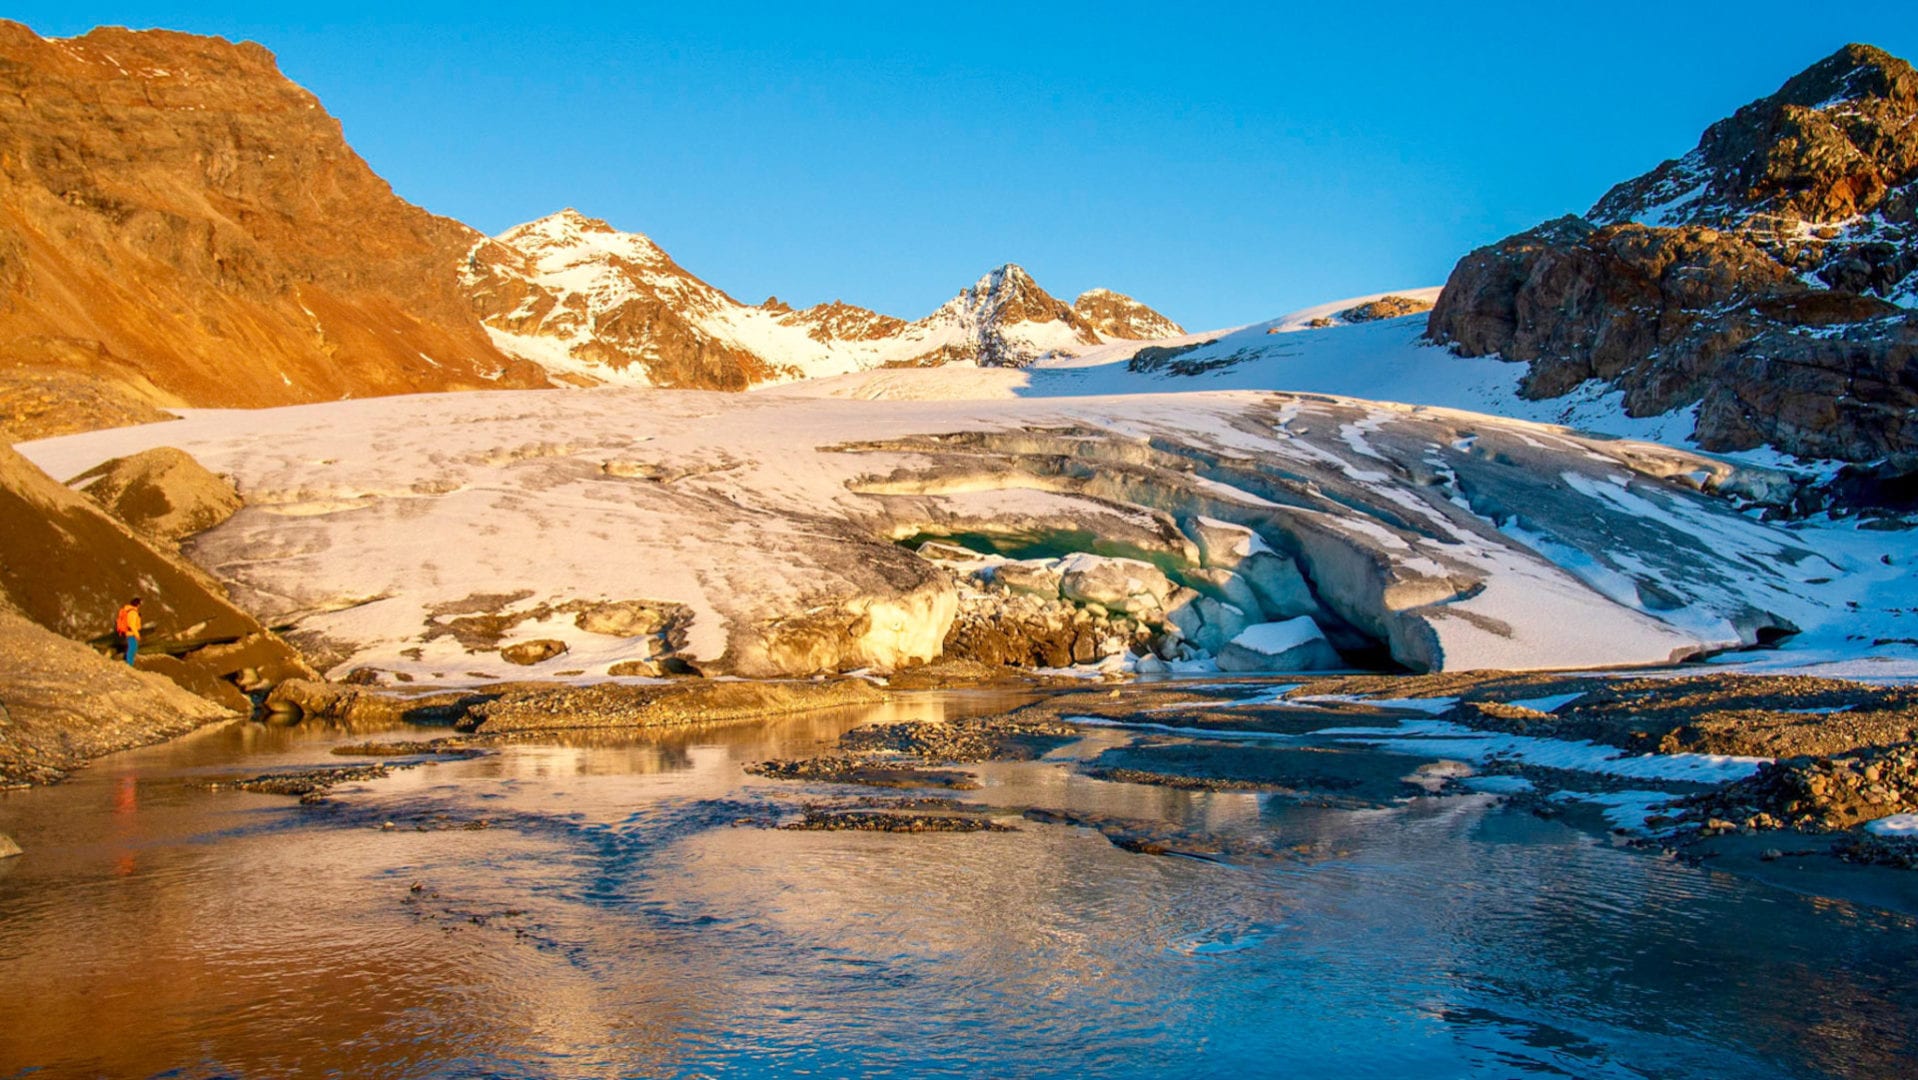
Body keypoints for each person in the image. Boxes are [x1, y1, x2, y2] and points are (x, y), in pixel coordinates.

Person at [114, 597, 143, 667]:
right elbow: (132, 624)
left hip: (128, 633)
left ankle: (129, 663)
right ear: (137, 604)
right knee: (132, 648)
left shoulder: (129, 610)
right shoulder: (133, 612)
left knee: (132, 648)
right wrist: (137, 635)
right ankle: (129, 664)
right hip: (131, 633)